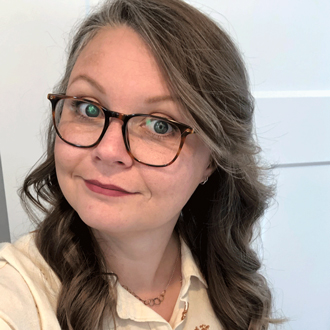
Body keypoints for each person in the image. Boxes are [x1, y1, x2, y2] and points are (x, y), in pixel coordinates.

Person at [0, 0, 281, 329]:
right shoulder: (18, 294)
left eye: (159, 125)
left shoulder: (229, 283)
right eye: (88, 108)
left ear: (213, 160)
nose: (108, 150)